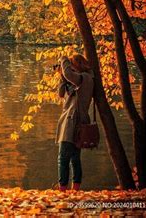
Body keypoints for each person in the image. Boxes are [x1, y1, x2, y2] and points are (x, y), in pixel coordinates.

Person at [55, 54, 94, 191]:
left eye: (71, 64)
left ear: (76, 64)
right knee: (74, 158)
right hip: (71, 121)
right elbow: (60, 94)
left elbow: (68, 74)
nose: (69, 68)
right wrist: (62, 77)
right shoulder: (75, 81)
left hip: (74, 122)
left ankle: (63, 191)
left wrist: (63, 59)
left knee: (63, 158)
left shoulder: (84, 78)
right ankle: (74, 190)